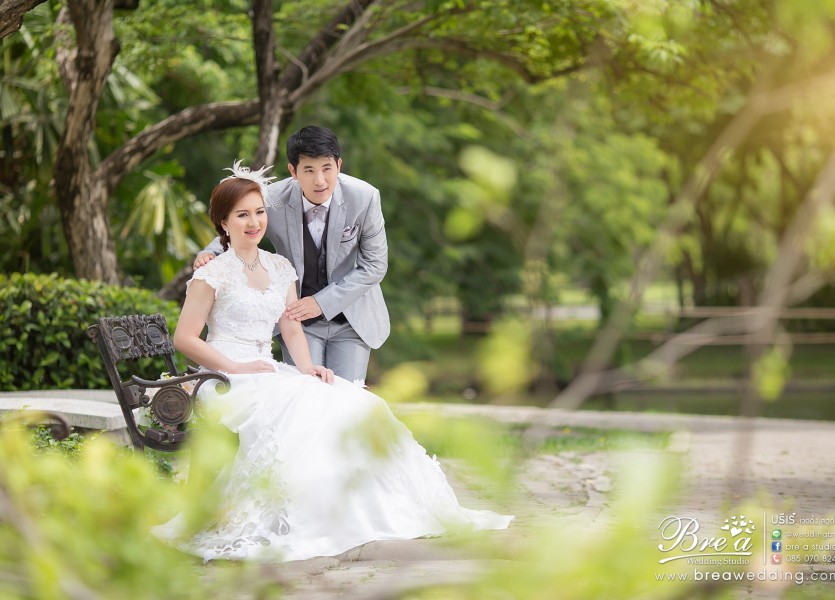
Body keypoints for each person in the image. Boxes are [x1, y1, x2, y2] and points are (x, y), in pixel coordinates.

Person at [154, 164, 513, 562]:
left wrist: (306, 367)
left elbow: (291, 328)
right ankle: (289, 514)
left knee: (352, 401)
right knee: (292, 414)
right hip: (223, 376)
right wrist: (234, 369)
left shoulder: (279, 267)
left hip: (268, 370)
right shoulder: (213, 273)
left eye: (259, 212)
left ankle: (353, 509)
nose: (254, 222)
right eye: (242, 214)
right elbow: (184, 338)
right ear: (223, 223)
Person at [194, 125, 388, 386]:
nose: (320, 180)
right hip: (298, 322)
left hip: (352, 319)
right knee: (306, 391)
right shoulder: (272, 200)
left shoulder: (364, 197)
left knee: (347, 399)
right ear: (293, 171)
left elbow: (374, 265)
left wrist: (321, 302)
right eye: (309, 170)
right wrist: (210, 252)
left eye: (327, 168)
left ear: (339, 165)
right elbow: (239, 223)